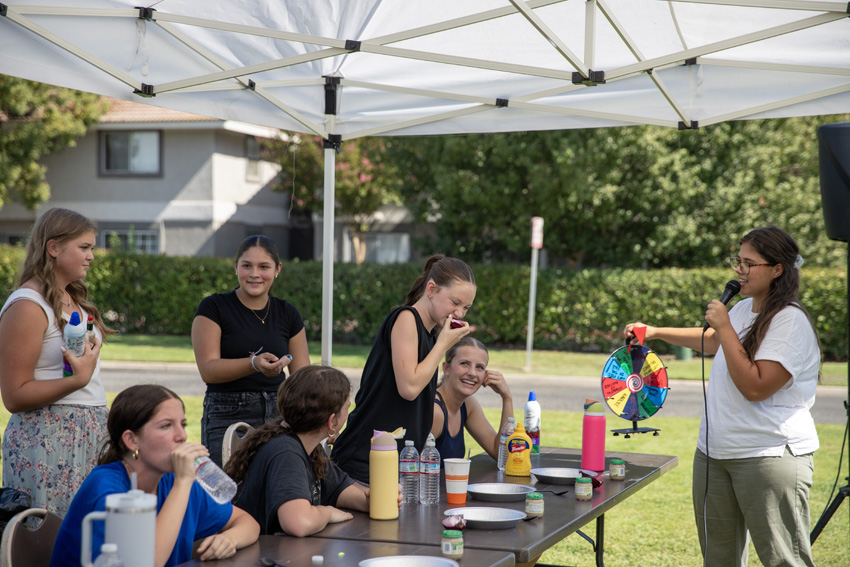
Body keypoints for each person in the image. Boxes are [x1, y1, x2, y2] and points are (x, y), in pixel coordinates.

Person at [624, 226, 820, 567]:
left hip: (767, 456)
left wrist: (726, 327)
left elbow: (755, 386)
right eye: (738, 261)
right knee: (718, 559)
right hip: (714, 454)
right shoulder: (744, 310)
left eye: (749, 263)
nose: (739, 271)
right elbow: (714, 342)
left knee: (784, 561)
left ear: (777, 269)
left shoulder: (791, 322)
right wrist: (654, 332)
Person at [51, 384, 259, 567]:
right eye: (166, 426)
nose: (182, 436)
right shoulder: (107, 486)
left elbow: (247, 523)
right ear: (132, 440)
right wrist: (183, 483)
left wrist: (229, 540)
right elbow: (148, 561)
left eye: (183, 424)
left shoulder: (175, 480)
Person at [0, 208, 111, 516]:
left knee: (87, 537)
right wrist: (76, 381)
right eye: (84, 247)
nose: (91, 256)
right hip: (48, 440)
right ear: (53, 248)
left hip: (90, 435)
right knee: (50, 540)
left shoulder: (72, 298)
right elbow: (14, 395)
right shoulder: (28, 305)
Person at [331, 255, 476, 483]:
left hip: (395, 461)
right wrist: (442, 346)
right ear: (431, 289)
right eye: (454, 302)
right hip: (364, 460)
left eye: (466, 307)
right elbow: (409, 388)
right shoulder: (407, 318)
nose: (459, 313)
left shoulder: (431, 334)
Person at [226, 365, 398, 536]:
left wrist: (375, 501)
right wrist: (328, 513)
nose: (347, 412)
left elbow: (341, 491)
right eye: (347, 407)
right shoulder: (286, 454)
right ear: (331, 422)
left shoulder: (310, 448)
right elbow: (298, 523)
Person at [192, 235, 310, 467]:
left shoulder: (288, 312)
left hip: (279, 414)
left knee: (275, 488)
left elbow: (302, 379)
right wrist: (253, 364)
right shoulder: (214, 307)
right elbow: (208, 369)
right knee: (228, 490)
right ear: (236, 267)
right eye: (247, 265)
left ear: (277, 269)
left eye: (264, 267)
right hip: (227, 412)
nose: (254, 274)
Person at [431, 336, 513, 460]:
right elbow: (410, 470)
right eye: (464, 364)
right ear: (446, 368)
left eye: (479, 367)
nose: (472, 373)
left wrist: (507, 398)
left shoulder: (468, 405)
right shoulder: (435, 411)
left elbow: (502, 455)